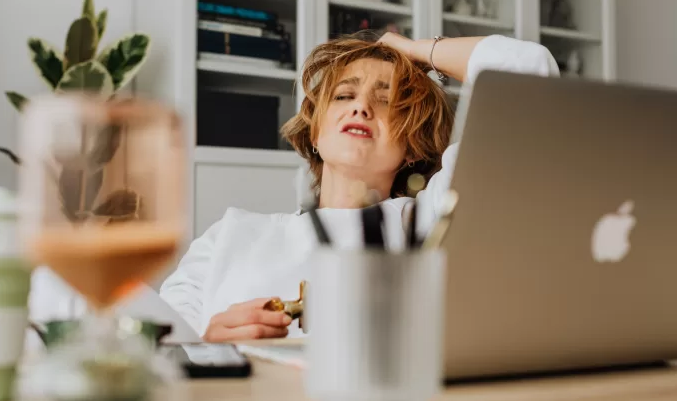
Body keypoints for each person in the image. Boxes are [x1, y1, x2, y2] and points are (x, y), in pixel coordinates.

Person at [159, 32, 560, 342]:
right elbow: (154, 350)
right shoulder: (230, 235)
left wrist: (412, 49)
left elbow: (530, 71)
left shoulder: (433, 220)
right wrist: (208, 345)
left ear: (410, 148)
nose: (361, 107)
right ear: (314, 132)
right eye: (345, 94)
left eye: (386, 101)